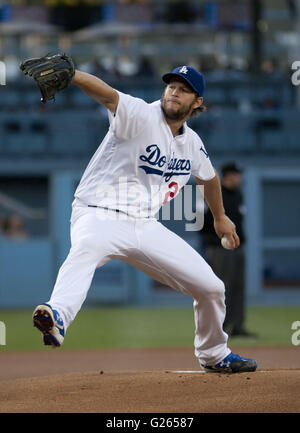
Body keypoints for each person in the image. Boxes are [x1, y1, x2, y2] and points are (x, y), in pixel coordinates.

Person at [32, 63, 257, 373]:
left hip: (144, 225)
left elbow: (209, 178)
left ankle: (214, 354)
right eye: (171, 86)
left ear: (198, 103)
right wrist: (73, 75)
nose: (174, 91)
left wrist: (220, 217)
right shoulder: (140, 114)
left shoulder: (192, 144)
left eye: (184, 89)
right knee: (84, 253)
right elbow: (109, 96)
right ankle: (57, 315)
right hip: (98, 213)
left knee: (212, 288)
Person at [201, 162, 256, 338]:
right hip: (219, 250)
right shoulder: (214, 195)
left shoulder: (238, 195)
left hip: (238, 248)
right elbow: (199, 223)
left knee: (238, 288)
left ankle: (237, 326)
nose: (239, 178)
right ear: (228, 176)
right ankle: (219, 328)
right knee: (221, 289)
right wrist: (214, 239)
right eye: (236, 174)